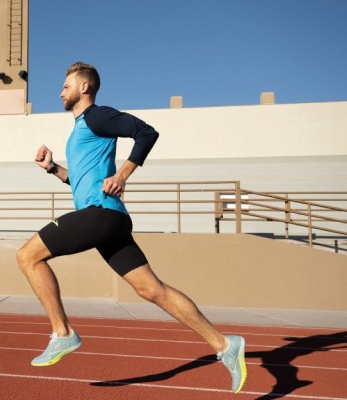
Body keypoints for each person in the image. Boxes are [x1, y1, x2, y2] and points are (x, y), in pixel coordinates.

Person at [16, 61, 247, 393]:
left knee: (27, 256)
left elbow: (146, 132)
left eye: (66, 86)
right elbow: (81, 182)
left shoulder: (96, 115)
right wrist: (52, 168)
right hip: (106, 217)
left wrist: (123, 174)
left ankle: (63, 334)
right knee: (152, 290)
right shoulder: (82, 129)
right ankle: (225, 344)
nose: (60, 91)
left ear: (84, 87)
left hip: (102, 214)